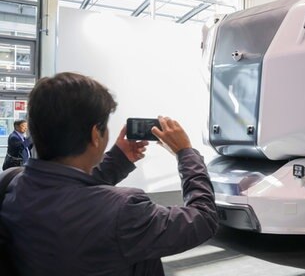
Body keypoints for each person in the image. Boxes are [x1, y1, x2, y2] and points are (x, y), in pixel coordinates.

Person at [0, 72, 218, 275]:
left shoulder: (12, 184)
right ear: (96, 134)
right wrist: (185, 153)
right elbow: (203, 219)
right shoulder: (124, 211)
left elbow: (68, 193)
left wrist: (119, 159)